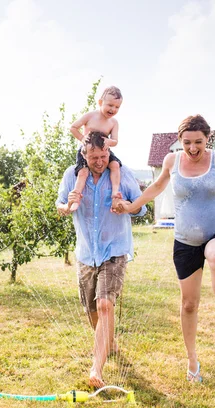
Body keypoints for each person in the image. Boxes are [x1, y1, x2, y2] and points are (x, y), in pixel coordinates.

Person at [120, 114, 215, 382]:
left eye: (199, 142)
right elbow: (157, 187)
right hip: (185, 242)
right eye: (187, 143)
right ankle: (192, 362)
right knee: (189, 304)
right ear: (180, 141)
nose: (193, 148)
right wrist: (131, 206)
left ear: (208, 138)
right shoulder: (171, 161)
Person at [56, 131, 147, 388]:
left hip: (114, 250)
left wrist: (127, 206)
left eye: (104, 155)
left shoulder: (121, 173)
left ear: (109, 151)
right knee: (92, 310)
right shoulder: (73, 175)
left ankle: (97, 368)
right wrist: (65, 207)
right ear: (84, 155)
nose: (99, 161)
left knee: (106, 305)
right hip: (86, 252)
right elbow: (60, 203)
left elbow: (142, 206)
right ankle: (109, 343)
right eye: (94, 157)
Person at [69, 86, 123, 212]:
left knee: (115, 165)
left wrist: (109, 141)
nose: (113, 109)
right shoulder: (90, 116)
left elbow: (115, 141)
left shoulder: (113, 122)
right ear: (100, 103)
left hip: (104, 151)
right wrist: (82, 138)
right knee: (83, 172)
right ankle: (76, 198)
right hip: (87, 152)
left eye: (117, 107)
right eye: (110, 105)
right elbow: (73, 127)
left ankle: (115, 193)